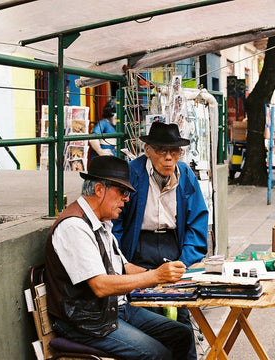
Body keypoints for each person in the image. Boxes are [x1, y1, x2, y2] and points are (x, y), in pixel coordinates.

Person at [45, 155, 192, 360]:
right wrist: (156, 276)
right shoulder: (74, 226)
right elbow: (101, 286)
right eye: (122, 192)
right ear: (99, 190)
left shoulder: (102, 222)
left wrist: (173, 277)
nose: (127, 199)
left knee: (181, 334)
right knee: (156, 354)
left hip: (115, 310)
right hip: (85, 321)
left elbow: (123, 267)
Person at [112, 122, 209, 360]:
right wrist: (121, 260)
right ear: (148, 150)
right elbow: (115, 222)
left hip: (172, 247)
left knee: (180, 314)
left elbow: (197, 221)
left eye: (174, 152)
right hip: (137, 248)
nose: (168, 158)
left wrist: (185, 260)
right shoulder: (132, 173)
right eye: (161, 151)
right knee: (143, 310)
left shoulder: (185, 175)